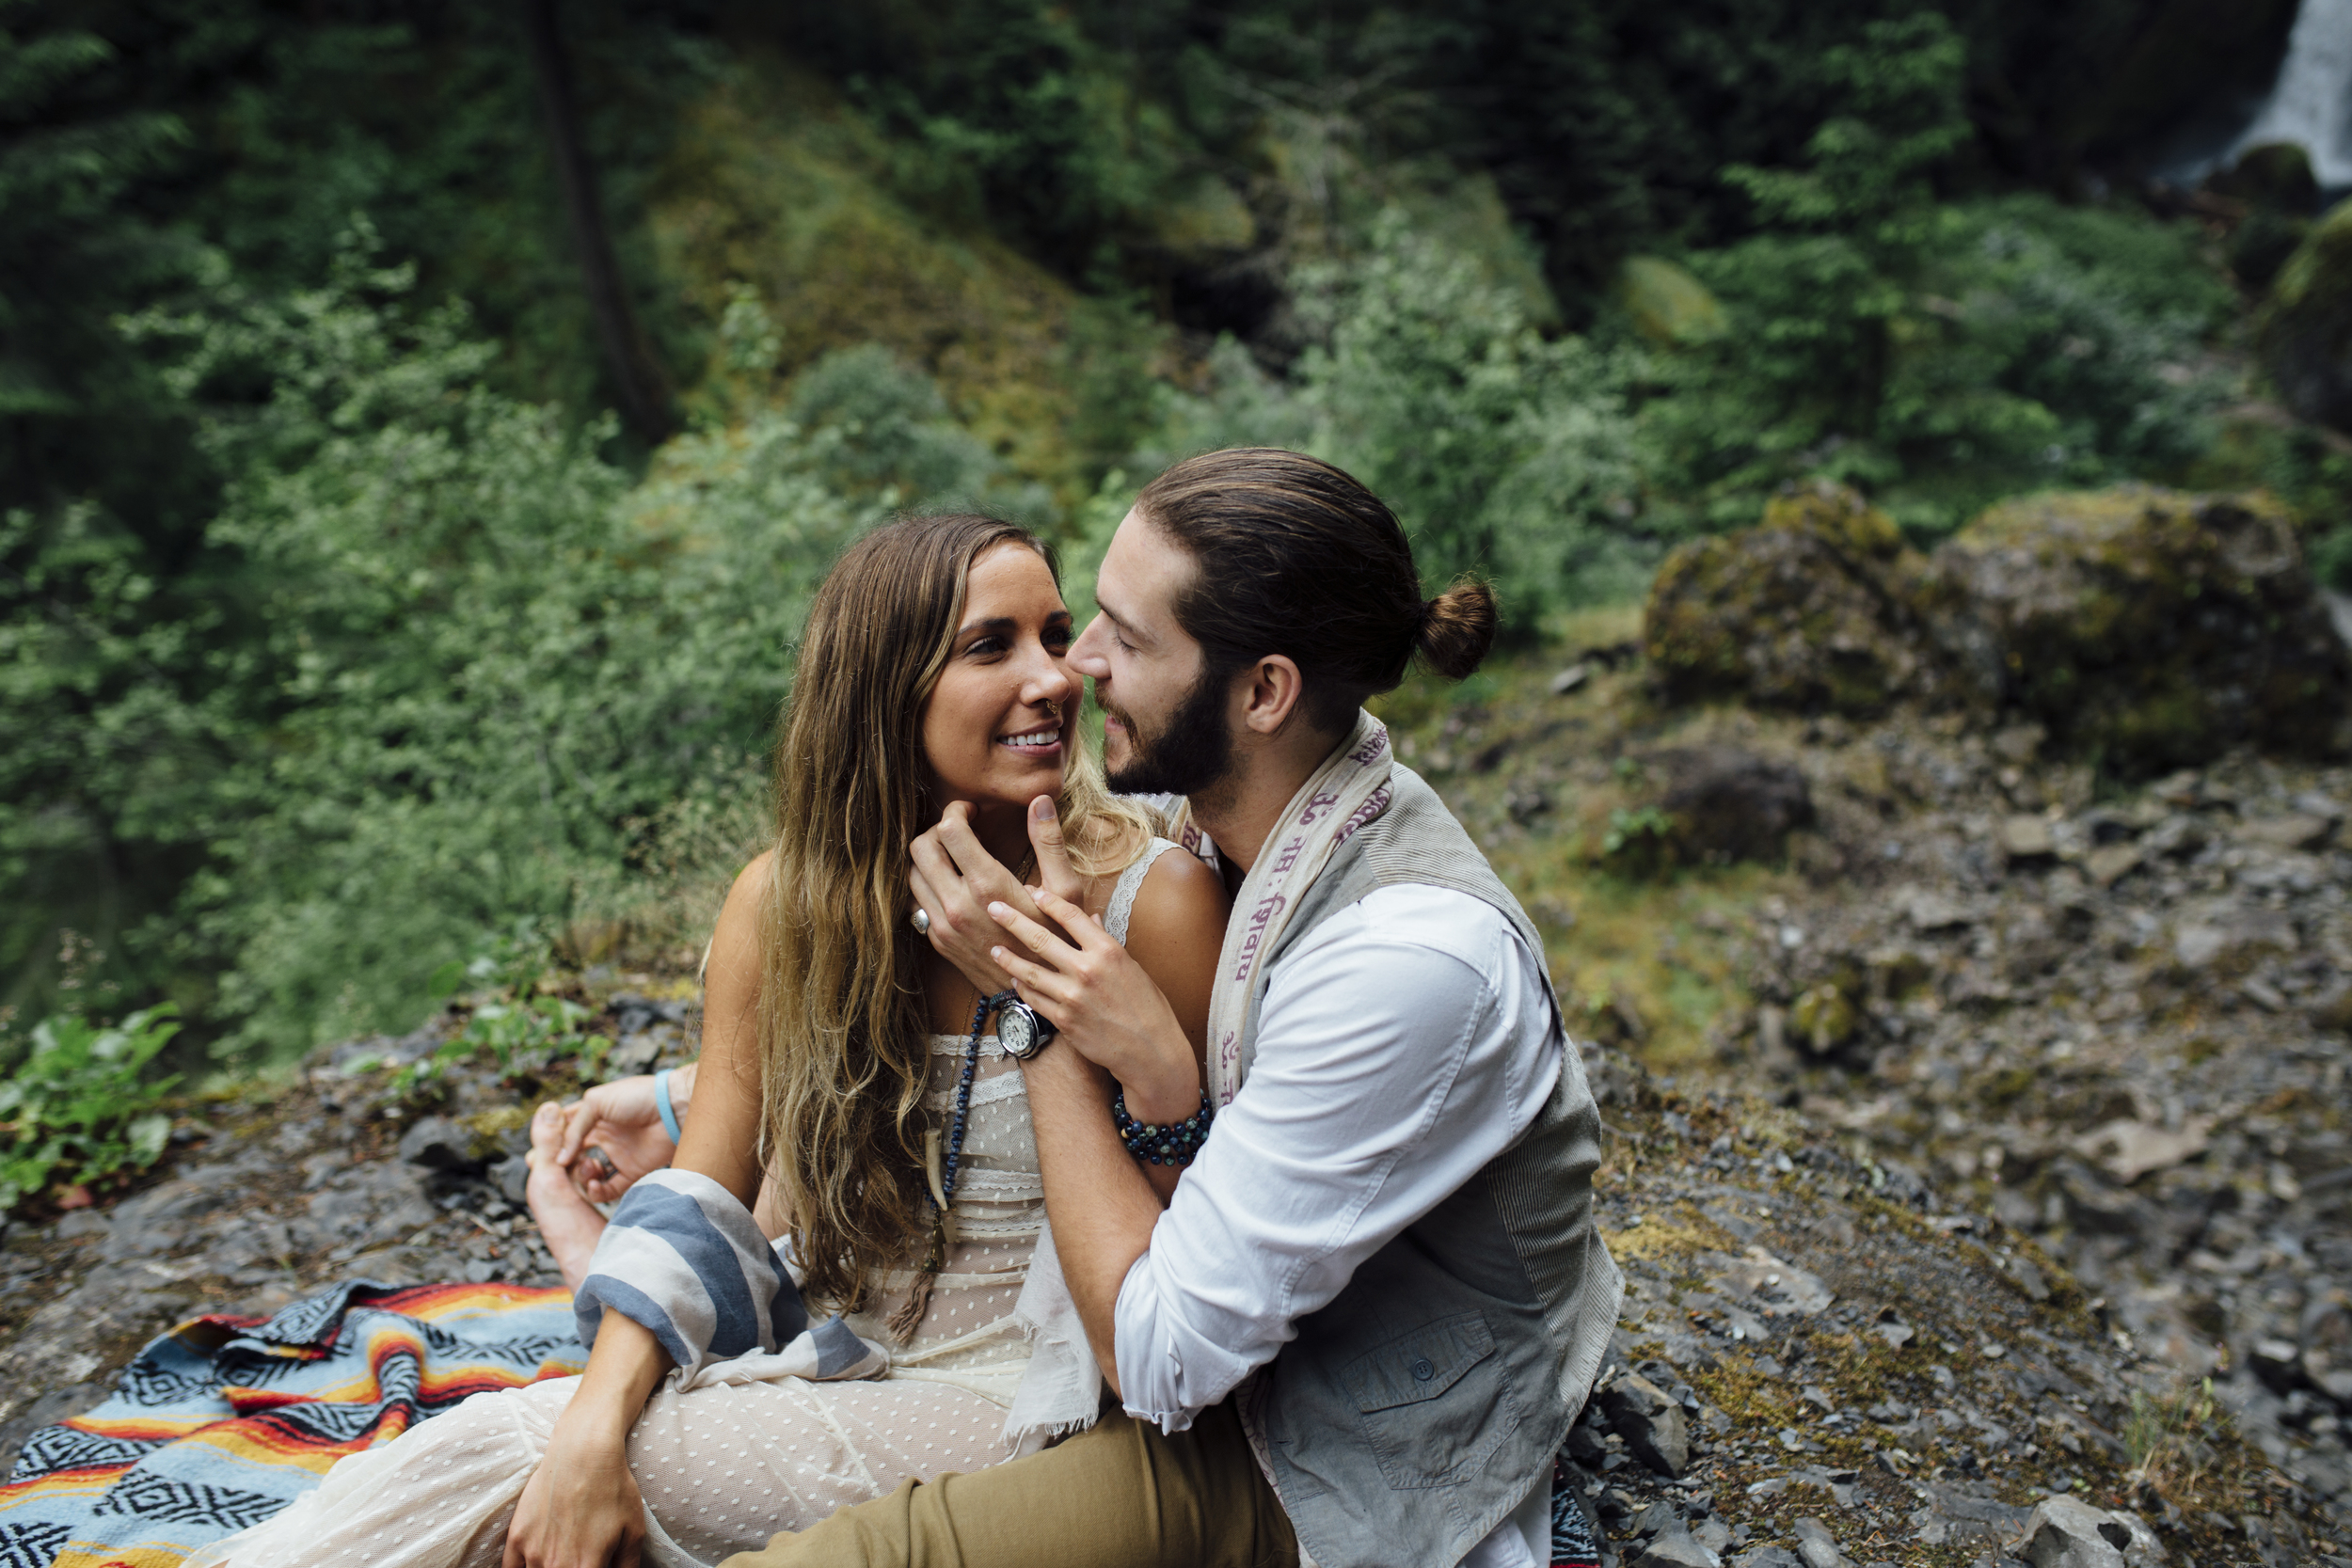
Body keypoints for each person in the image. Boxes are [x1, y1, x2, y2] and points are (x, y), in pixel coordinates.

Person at [186, 512, 1230, 1568]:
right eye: (989, 645)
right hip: (833, 1355)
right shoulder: (784, 906)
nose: (1053, 677)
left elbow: (1191, 1232)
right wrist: (595, 1421)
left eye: (1055, 634)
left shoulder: (1154, 902)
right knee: (541, 1463)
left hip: (1033, 1398)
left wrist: (1036, 989)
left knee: (496, 1460)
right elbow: (706, 1194)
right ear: (881, 688)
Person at [723, 448, 1622, 1568]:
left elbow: (1153, 1363)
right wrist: (691, 1091)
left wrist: (1032, 1000)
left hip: (1339, 1442)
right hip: (1245, 1371)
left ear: (1261, 691)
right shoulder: (1248, 821)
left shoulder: (1403, 961)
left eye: (1121, 637)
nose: (1077, 668)